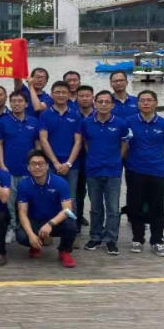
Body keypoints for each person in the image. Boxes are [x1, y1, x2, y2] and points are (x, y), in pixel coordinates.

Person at [124, 90, 164, 256]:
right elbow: (124, 144)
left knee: (158, 207)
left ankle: (157, 241)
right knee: (135, 205)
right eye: (142, 100)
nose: (145, 103)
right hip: (135, 170)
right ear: (137, 103)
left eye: (149, 100)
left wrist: (159, 161)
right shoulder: (129, 122)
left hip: (158, 171)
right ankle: (137, 239)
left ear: (156, 103)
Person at [82, 90, 130, 255]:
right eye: (100, 101)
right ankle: (95, 236)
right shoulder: (87, 123)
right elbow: (86, 142)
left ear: (112, 105)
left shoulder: (121, 123)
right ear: (94, 103)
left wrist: (117, 159)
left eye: (107, 102)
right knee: (95, 207)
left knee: (113, 208)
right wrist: (93, 157)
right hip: (93, 170)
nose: (103, 104)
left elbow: (124, 144)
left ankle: (111, 239)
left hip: (113, 171)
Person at [15, 150, 77, 268]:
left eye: (41, 163)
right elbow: (22, 213)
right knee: (22, 236)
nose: (37, 167)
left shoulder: (60, 182)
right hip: (35, 221)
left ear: (47, 166)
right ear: (28, 167)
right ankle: (36, 244)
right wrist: (31, 235)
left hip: (55, 221)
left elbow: (68, 209)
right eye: (33, 164)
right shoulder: (23, 184)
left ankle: (64, 251)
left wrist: (50, 223)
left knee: (71, 225)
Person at [0, 90, 40, 244]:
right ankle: (12, 228)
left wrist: (37, 165)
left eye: (20, 101)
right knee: (9, 203)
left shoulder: (34, 122)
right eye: (13, 101)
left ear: (26, 104)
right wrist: (2, 165)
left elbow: (37, 144)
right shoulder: (3, 122)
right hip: (9, 169)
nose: (16, 104)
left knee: (29, 202)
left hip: (29, 171)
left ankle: (28, 228)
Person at [38, 81, 83, 231]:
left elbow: (78, 141)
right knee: (48, 197)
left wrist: (68, 163)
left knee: (71, 198)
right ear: (51, 94)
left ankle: (71, 231)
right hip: (50, 164)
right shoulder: (45, 115)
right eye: (57, 92)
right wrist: (55, 162)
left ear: (69, 94)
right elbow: (43, 140)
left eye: (64, 92)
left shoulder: (75, 115)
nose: (61, 95)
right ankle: (49, 230)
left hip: (72, 165)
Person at [73, 85, 95, 231]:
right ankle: (77, 221)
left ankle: (97, 226)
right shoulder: (73, 115)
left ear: (93, 97)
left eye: (87, 96)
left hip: (96, 160)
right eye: (81, 96)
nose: (85, 98)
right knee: (78, 192)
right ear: (77, 98)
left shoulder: (100, 114)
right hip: (77, 159)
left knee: (95, 194)